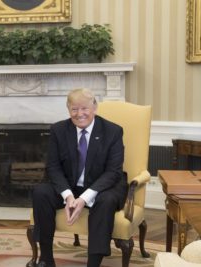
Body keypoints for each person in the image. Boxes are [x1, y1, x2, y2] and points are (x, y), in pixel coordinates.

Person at [32, 88, 127, 267]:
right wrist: (68, 196)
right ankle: (46, 258)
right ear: (68, 110)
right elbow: (53, 166)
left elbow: (113, 172)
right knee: (40, 192)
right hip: (70, 184)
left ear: (95, 108)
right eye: (74, 109)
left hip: (103, 185)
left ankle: (93, 262)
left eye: (84, 108)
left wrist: (83, 198)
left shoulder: (113, 131)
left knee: (106, 201)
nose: (79, 114)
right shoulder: (59, 130)